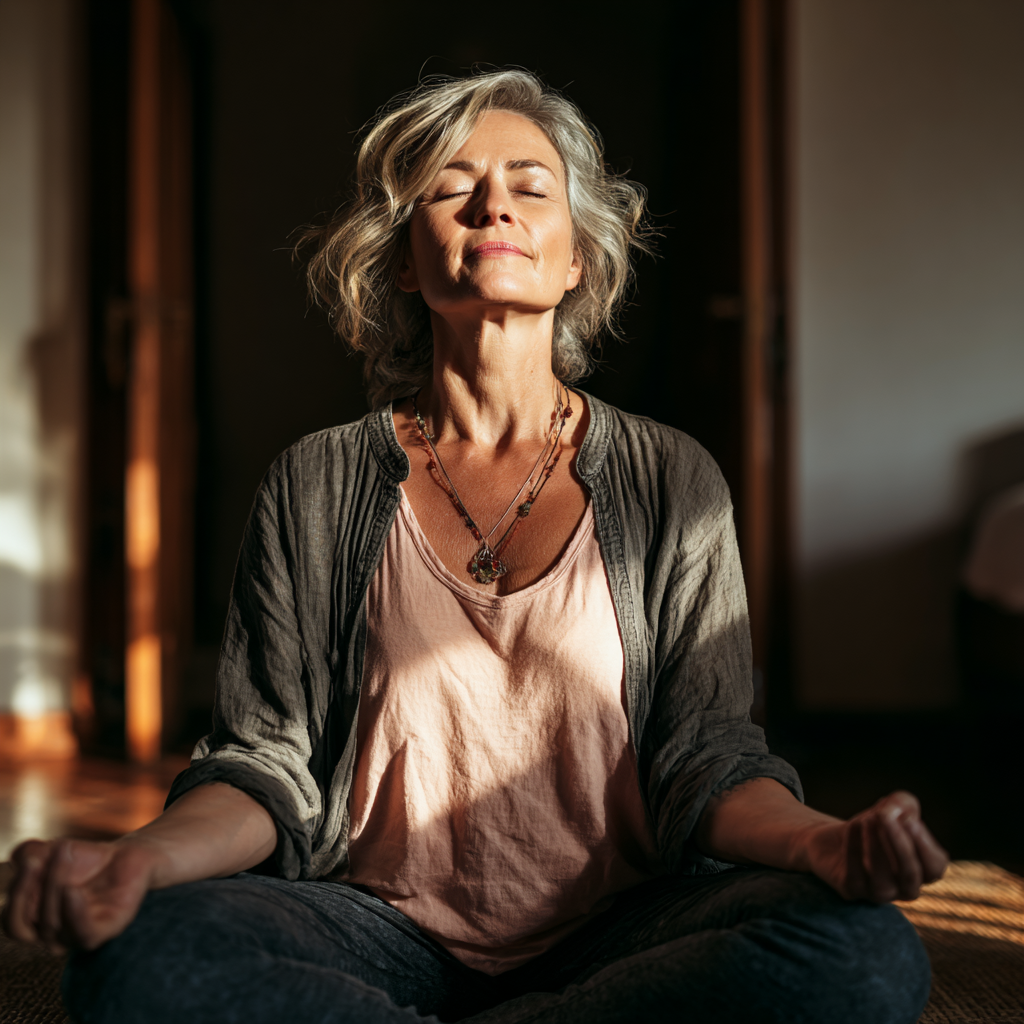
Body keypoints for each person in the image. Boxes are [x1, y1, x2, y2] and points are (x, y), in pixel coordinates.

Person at [3, 69, 947, 1024]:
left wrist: (825, 844)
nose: (494, 203)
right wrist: (136, 860)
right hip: (369, 922)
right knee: (135, 958)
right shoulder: (313, 481)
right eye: (453, 188)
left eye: (532, 186)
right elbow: (262, 765)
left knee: (864, 956)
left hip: (625, 928)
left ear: (577, 257)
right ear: (407, 260)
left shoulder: (675, 478)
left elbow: (708, 757)